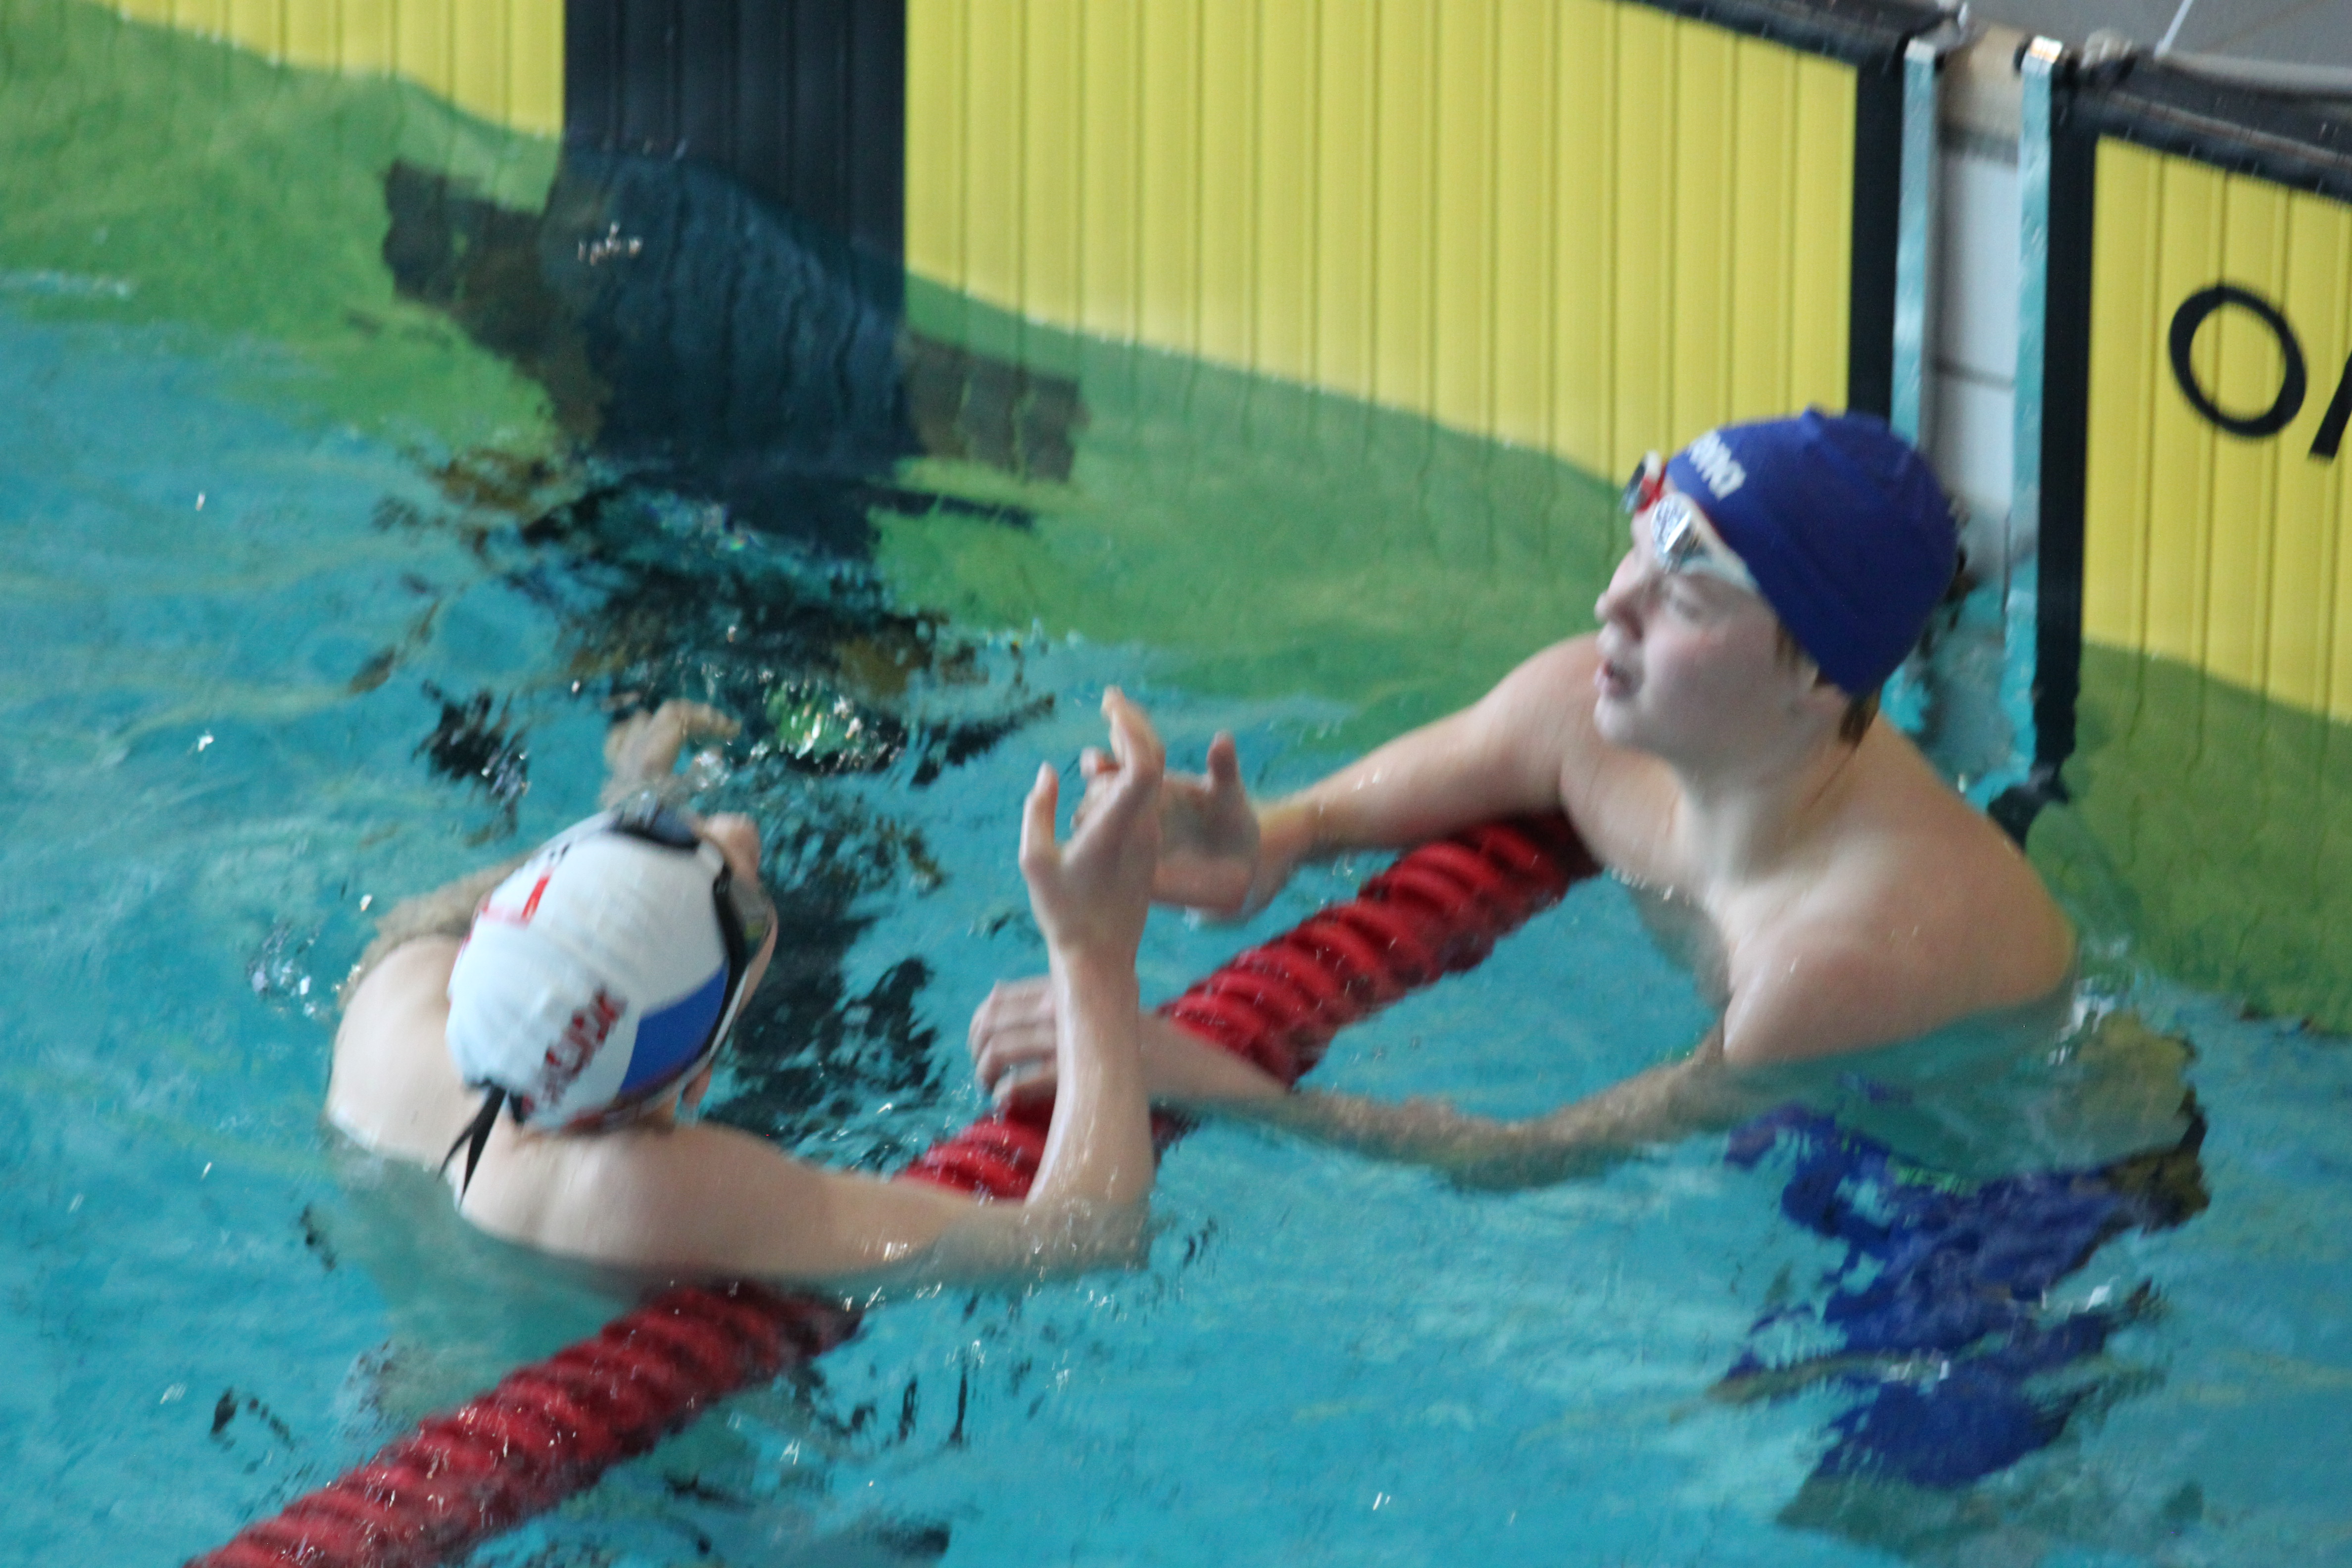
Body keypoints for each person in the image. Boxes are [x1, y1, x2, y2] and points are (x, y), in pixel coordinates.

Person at [966, 410, 2080, 1182]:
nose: (1612, 604)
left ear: (1820, 680)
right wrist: (1273, 838)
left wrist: (1183, 1069)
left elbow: (1526, 1159)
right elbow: (1325, 816)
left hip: (2004, 1182)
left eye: (1684, 598)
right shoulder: (1582, 712)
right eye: (1637, 552)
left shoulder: (1831, 961)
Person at [328, 690, 1167, 1285]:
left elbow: (464, 923)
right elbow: (1084, 1241)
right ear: (695, 1079)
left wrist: (639, 806)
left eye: (663, 832)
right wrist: (1094, 956)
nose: (739, 829)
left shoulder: (388, 1009)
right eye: (743, 903)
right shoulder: (640, 1192)